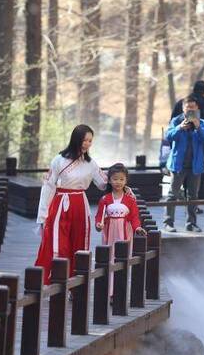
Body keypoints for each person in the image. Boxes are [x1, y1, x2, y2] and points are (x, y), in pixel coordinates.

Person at [35, 124, 107, 284]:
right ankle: (54, 281)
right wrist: (42, 216)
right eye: (85, 140)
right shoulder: (58, 160)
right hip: (60, 203)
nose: (88, 144)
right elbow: (48, 186)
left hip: (80, 204)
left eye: (90, 141)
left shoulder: (91, 164)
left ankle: (75, 284)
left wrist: (123, 185)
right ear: (76, 139)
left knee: (79, 243)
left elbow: (104, 183)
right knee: (58, 243)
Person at [95, 163, 146, 297]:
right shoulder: (105, 199)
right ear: (109, 180)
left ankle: (120, 291)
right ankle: (110, 293)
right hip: (109, 232)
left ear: (126, 181)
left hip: (125, 232)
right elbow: (99, 216)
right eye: (115, 179)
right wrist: (98, 225)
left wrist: (138, 228)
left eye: (121, 179)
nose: (118, 182)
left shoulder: (130, 199)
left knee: (123, 259)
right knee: (110, 259)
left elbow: (134, 217)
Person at [164, 95, 204, 232]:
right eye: (188, 107)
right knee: (172, 194)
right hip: (178, 164)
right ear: (183, 108)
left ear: (197, 108)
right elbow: (168, 136)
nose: (190, 110)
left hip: (195, 165)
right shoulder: (176, 121)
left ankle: (191, 223)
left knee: (193, 195)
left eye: (193, 107)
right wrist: (179, 128)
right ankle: (168, 222)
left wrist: (198, 127)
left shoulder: (202, 123)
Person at [171, 80, 204, 166]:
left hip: (181, 147)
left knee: (179, 175)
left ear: (193, 90)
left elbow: (172, 125)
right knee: (198, 174)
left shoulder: (181, 104)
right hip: (203, 147)